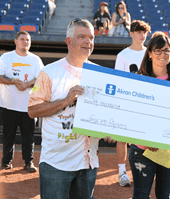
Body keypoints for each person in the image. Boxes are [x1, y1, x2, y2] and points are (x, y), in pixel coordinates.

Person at [27, 18, 115, 199]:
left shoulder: (101, 74)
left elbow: (106, 114)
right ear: (69, 41)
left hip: (88, 161)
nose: (88, 42)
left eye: (91, 38)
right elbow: (33, 110)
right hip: (57, 163)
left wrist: (109, 130)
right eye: (82, 37)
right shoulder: (49, 72)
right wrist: (65, 101)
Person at [129, 31, 170, 199]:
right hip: (142, 149)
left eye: (166, 50)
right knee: (140, 195)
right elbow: (131, 114)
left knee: (164, 196)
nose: (162, 54)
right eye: (158, 50)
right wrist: (145, 138)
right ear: (149, 53)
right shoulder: (137, 80)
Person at [0, 31, 44, 172]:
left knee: (28, 137)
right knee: (8, 136)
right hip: (8, 105)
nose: (25, 42)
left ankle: (28, 162)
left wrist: (27, 84)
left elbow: (41, 80)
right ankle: (6, 162)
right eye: (22, 39)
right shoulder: (6, 58)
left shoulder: (36, 60)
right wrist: (14, 82)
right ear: (16, 41)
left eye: (28, 40)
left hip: (28, 107)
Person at [114, 19, 151, 187]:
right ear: (131, 34)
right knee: (122, 138)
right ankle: (122, 172)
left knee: (146, 139)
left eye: (144, 32)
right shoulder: (123, 55)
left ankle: (143, 173)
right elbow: (117, 81)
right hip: (127, 102)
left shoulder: (150, 53)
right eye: (138, 32)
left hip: (146, 104)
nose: (142, 35)